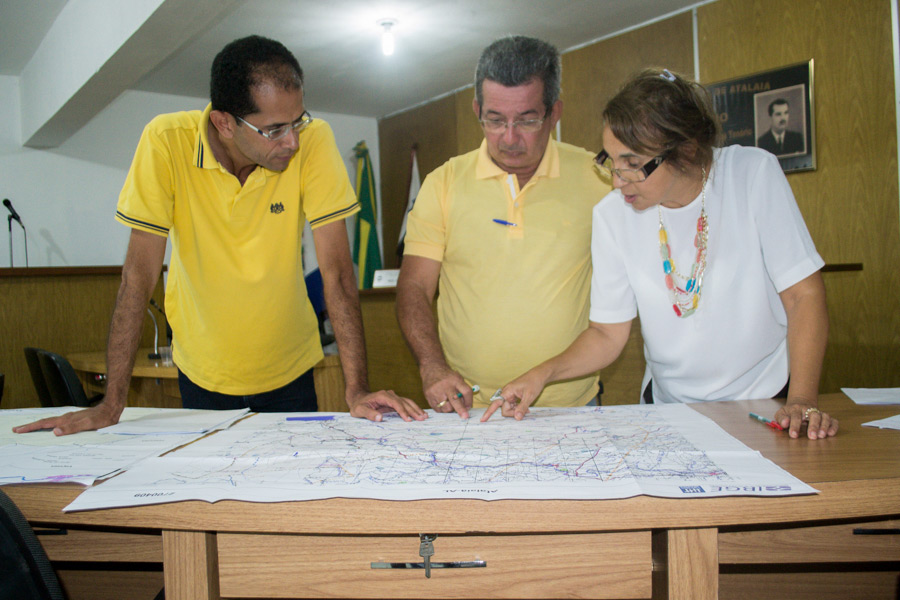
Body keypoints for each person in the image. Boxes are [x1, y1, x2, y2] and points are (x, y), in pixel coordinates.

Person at [15, 36, 423, 436]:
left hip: (291, 369)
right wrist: (112, 403)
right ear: (224, 123)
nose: (293, 141)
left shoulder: (313, 140)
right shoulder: (166, 142)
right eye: (275, 129)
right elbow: (138, 276)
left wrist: (356, 390)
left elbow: (336, 272)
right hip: (204, 374)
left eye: (297, 120)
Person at [487, 68, 838, 440]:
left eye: (634, 165)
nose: (618, 180)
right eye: (612, 161)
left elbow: (803, 296)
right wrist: (541, 373)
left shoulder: (751, 175)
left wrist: (802, 399)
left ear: (685, 150)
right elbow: (607, 334)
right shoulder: (612, 215)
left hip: (765, 403)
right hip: (670, 410)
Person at [396, 35, 610, 418]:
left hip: (568, 408)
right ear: (477, 109)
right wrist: (431, 365)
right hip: (468, 406)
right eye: (495, 120)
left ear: (554, 112)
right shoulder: (443, 183)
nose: (509, 138)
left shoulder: (601, 179)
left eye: (527, 120)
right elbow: (414, 287)